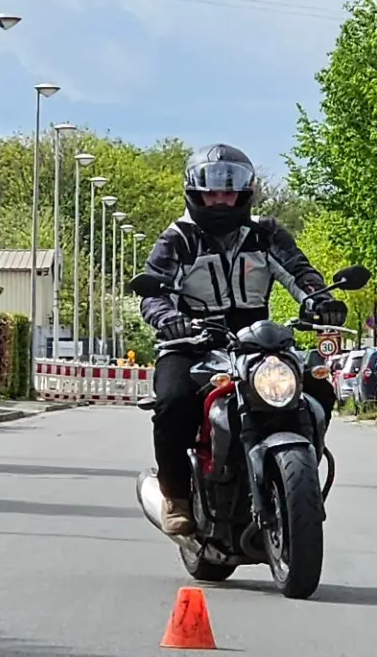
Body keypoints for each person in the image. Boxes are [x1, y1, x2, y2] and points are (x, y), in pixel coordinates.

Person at [139, 144, 347, 535]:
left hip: (257, 342)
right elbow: (154, 291)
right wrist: (170, 320)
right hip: (192, 341)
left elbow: (299, 272)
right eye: (211, 192)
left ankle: (300, 471)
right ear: (196, 194)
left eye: (228, 191)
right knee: (173, 402)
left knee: (318, 386)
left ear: (244, 193)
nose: (220, 200)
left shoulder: (265, 234)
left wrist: (322, 302)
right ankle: (176, 496)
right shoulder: (178, 239)